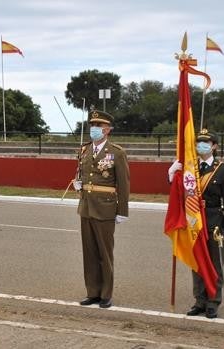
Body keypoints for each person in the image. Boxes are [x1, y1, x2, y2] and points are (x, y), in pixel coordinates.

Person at [168, 128, 224, 319]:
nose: (201, 146)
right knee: (197, 262)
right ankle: (200, 300)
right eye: (198, 143)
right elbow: (179, 192)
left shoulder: (223, 169)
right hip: (195, 221)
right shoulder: (191, 168)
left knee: (214, 263)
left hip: (215, 221)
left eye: (206, 143)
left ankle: (213, 301)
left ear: (214, 146)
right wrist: (172, 174)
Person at [73, 109, 130, 309]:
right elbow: (82, 174)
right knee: (89, 253)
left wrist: (122, 210)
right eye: (92, 126)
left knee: (105, 254)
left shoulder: (116, 153)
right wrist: (78, 184)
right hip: (86, 207)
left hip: (105, 208)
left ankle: (106, 294)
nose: (94, 129)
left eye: (98, 126)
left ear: (107, 130)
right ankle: (93, 292)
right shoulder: (84, 150)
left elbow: (123, 183)